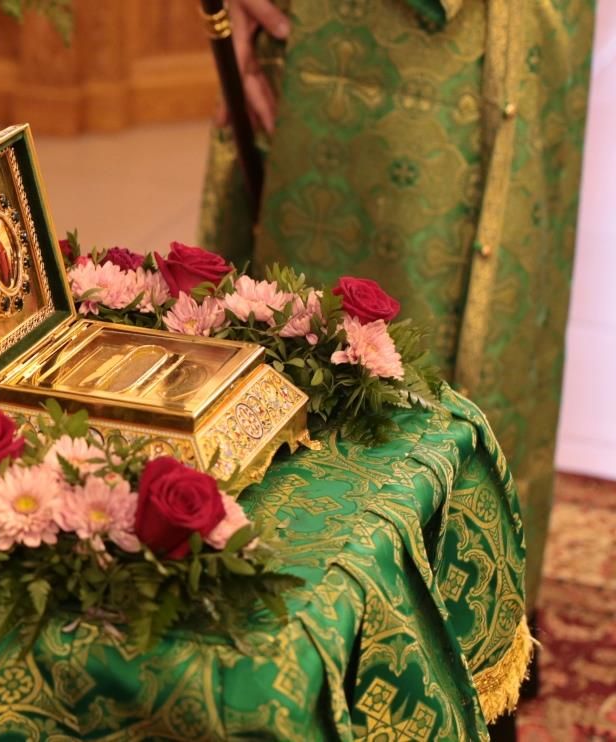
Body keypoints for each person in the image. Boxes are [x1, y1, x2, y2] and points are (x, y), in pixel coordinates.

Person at [199, 0, 595, 617]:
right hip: (356, 35)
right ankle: (311, 622)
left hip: (535, 30)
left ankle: (487, 613)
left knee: (513, 308)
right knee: (329, 331)